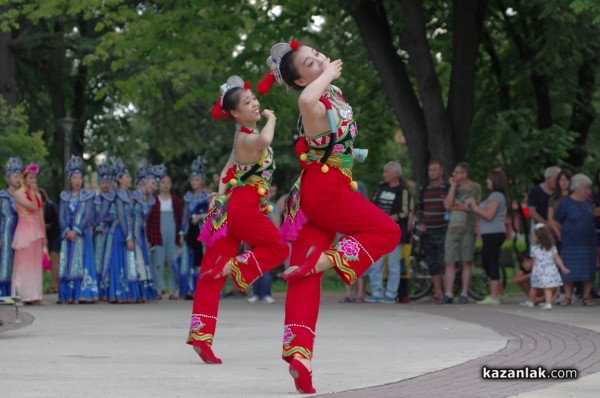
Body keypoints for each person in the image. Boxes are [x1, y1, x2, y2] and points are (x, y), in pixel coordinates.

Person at [259, 41, 400, 393]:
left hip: (319, 188)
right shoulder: (314, 101)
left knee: (302, 276)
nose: (322, 60)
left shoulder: (330, 92)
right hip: (327, 191)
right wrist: (329, 74)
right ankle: (327, 261)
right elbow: (306, 101)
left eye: (318, 54)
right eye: (312, 62)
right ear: (301, 79)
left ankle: (300, 358)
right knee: (388, 232)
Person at [187, 75, 289, 364]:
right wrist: (272, 116)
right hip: (244, 209)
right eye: (248, 102)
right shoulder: (247, 137)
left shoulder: (238, 140)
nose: (255, 103)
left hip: (231, 207)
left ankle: (201, 338)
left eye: (254, 99)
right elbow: (266, 139)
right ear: (234, 113)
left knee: (210, 273)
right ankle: (234, 268)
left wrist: (220, 196)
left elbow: (225, 170)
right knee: (279, 249)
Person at [365, 161, 411, 304]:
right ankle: (377, 292)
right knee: (375, 263)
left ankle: (391, 294)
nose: (384, 174)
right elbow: (373, 204)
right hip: (378, 231)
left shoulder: (403, 190)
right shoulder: (381, 187)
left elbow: (404, 211)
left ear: (396, 173)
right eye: (384, 171)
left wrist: (388, 219)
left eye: (387, 172)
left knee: (393, 264)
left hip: (394, 231)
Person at [438, 162, 481, 305]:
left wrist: (455, 207)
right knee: (449, 261)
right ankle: (448, 293)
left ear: (465, 174)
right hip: (452, 228)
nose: (454, 175)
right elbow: (447, 205)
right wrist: (453, 186)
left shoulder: (475, 187)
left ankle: (464, 293)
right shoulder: (453, 188)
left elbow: (469, 207)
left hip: (467, 228)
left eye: (457, 172)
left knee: (466, 261)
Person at [58, 155, 98, 304]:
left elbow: (88, 216)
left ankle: (84, 294)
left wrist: (76, 230)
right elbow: (61, 216)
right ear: (69, 179)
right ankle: (67, 295)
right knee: (67, 263)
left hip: (82, 235)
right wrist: (67, 230)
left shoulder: (87, 196)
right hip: (67, 236)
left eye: (80, 178)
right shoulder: (64, 196)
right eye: (74, 178)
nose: (77, 181)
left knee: (84, 263)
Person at [466, 169, 508, 304]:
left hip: (493, 233)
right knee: (487, 262)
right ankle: (500, 292)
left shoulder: (496, 196)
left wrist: (475, 207)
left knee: (491, 262)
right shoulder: (493, 196)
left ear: (494, 181)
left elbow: (489, 216)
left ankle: (494, 296)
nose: (487, 181)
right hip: (489, 233)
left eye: (489, 179)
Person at [555, 174, 596, 306]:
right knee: (569, 269)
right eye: (586, 188)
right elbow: (558, 220)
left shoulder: (588, 203)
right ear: (577, 188)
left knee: (588, 269)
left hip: (588, 241)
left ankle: (586, 297)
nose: (588, 191)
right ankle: (568, 297)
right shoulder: (565, 203)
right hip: (570, 241)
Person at [11, 163, 46, 304]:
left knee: (35, 264)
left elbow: (40, 214)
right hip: (24, 229)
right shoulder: (18, 194)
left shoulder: (36, 194)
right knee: (23, 263)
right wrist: (33, 194)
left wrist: (43, 234)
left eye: (35, 179)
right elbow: (32, 207)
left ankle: (35, 296)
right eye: (30, 178)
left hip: (36, 230)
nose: (33, 181)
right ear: (24, 180)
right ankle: (21, 295)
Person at [176, 156, 210, 299]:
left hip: (202, 232)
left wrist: (201, 217)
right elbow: (184, 215)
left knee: (200, 259)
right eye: (192, 180)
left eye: (196, 179)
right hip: (190, 231)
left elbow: (214, 214)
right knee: (187, 259)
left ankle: (201, 290)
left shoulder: (207, 196)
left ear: (202, 180)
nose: (194, 182)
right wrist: (181, 233)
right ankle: (188, 289)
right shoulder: (188, 197)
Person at [147, 166, 183, 300]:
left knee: (172, 260)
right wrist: (150, 237)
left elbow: (180, 219)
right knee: (158, 261)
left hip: (172, 232)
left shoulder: (177, 202)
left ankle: (173, 290)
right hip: (158, 233)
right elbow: (149, 221)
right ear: (159, 184)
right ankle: (159, 289)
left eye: (168, 182)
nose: (166, 185)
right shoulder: (153, 201)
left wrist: (180, 235)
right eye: (163, 182)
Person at [417, 161, 449, 302]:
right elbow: (420, 209)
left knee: (444, 261)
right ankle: (438, 291)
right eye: (430, 170)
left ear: (441, 171)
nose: (432, 172)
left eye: (434, 170)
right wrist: (421, 223)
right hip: (428, 230)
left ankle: (447, 291)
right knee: (432, 262)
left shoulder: (447, 188)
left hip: (443, 229)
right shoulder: (424, 189)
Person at [522, 224, 570, 310]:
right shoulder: (552, 247)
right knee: (547, 288)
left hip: (538, 270)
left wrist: (532, 269)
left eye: (534, 235)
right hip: (550, 270)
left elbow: (534, 260)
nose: (533, 237)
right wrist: (562, 267)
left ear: (539, 237)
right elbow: (557, 258)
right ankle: (548, 303)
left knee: (534, 287)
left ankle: (531, 301)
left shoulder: (534, 248)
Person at [247, 183, 280, 304]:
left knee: (266, 269)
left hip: (268, 242)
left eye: (269, 192)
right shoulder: (254, 207)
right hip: (255, 241)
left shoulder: (273, 207)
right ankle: (256, 293)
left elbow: (277, 227)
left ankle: (266, 293)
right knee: (255, 268)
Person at [130, 166, 158, 302]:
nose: (154, 187)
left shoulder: (150, 199)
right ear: (143, 182)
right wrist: (129, 236)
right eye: (152, 183)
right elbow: (128, 216)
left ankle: (144, 293)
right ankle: (136, 293)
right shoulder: (133, 196)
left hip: (142, 233)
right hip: (132, 233)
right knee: (136, 260)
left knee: (144, 260)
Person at [0, 158, 22, 296]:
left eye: (19, 176)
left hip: (20, 231)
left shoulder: (22, 196)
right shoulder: (2, 195)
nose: (18, 178)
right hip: (6, 231)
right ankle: (3, 292)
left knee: (18, 261)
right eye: (15, 176)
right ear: (8, 177)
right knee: (5, 260)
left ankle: (17, 291)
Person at [93, 160, 116, 281]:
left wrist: (108, 221)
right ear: (99, 183)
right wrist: (97, 226)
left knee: (110, 258)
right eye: (103, 182)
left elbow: (116, 215)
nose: (105, 185)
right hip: (98, 234)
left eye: (107, 182)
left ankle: (108, 288)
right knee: (98, 258)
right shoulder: (94, 199)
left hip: (111, 232)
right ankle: (98, 287)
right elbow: (92, 216)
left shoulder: (114, 199)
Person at [527, 166, 561, 234]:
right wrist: (545, 223)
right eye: (555, 179)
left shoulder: (560, 193)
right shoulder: (535, 191)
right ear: (548, 178)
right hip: (540, 228)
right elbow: (531, 211)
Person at [40, 188, 60, 294]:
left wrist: (48, 225)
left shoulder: (51, 206)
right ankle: (44, 284)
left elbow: (58, 221)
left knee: (54, 257)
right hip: (45, 237)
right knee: (45, 260)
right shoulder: (36, 208)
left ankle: (54, 284)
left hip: (56, 235)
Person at [547, 170, 572, 241]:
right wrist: (557, 231)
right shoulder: (553, 198)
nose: (563, 182)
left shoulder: (573, 197)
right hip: (555, 229)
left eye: (566, 180)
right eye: (561, 180)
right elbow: (550, 217)